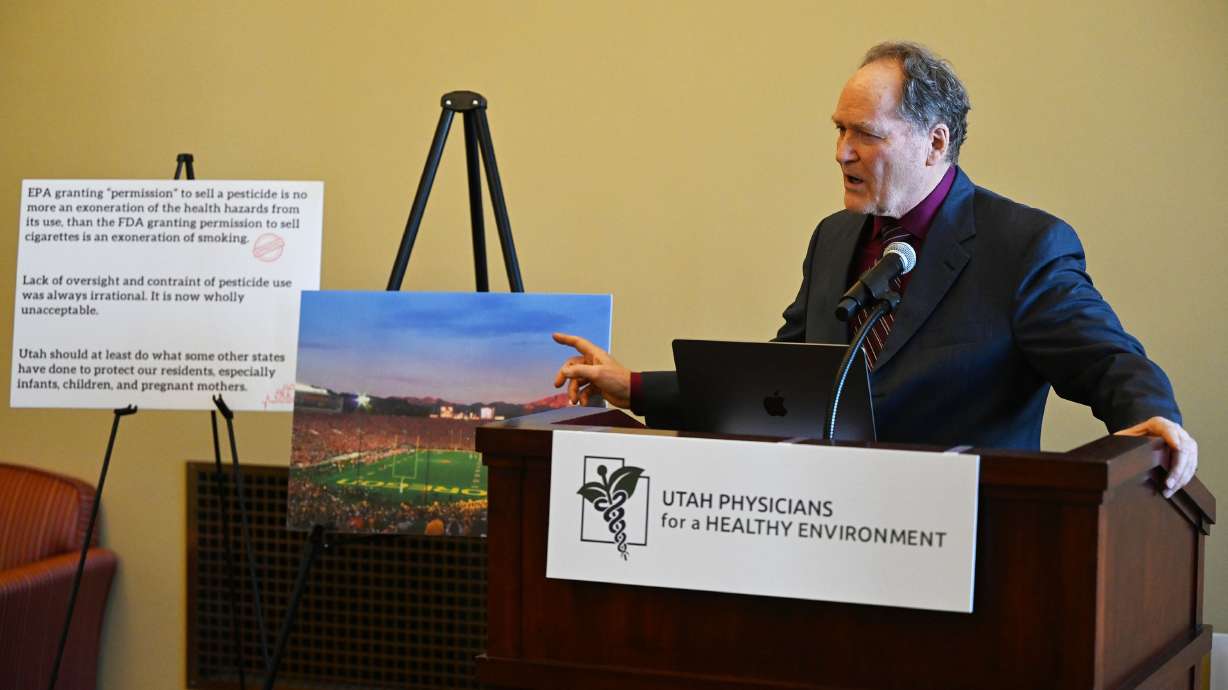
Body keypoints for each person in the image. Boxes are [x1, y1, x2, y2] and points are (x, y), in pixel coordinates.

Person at [553, 41, 1197, 498]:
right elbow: (774, 384)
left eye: (865, 134)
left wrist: (1153, 420)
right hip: (820, 532)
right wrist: (630, 385)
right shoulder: (834, 239)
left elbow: (1108, 361)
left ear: (936, 141)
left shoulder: (1022, 244)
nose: (841, 153)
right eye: (838, 130)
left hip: (969, 550)